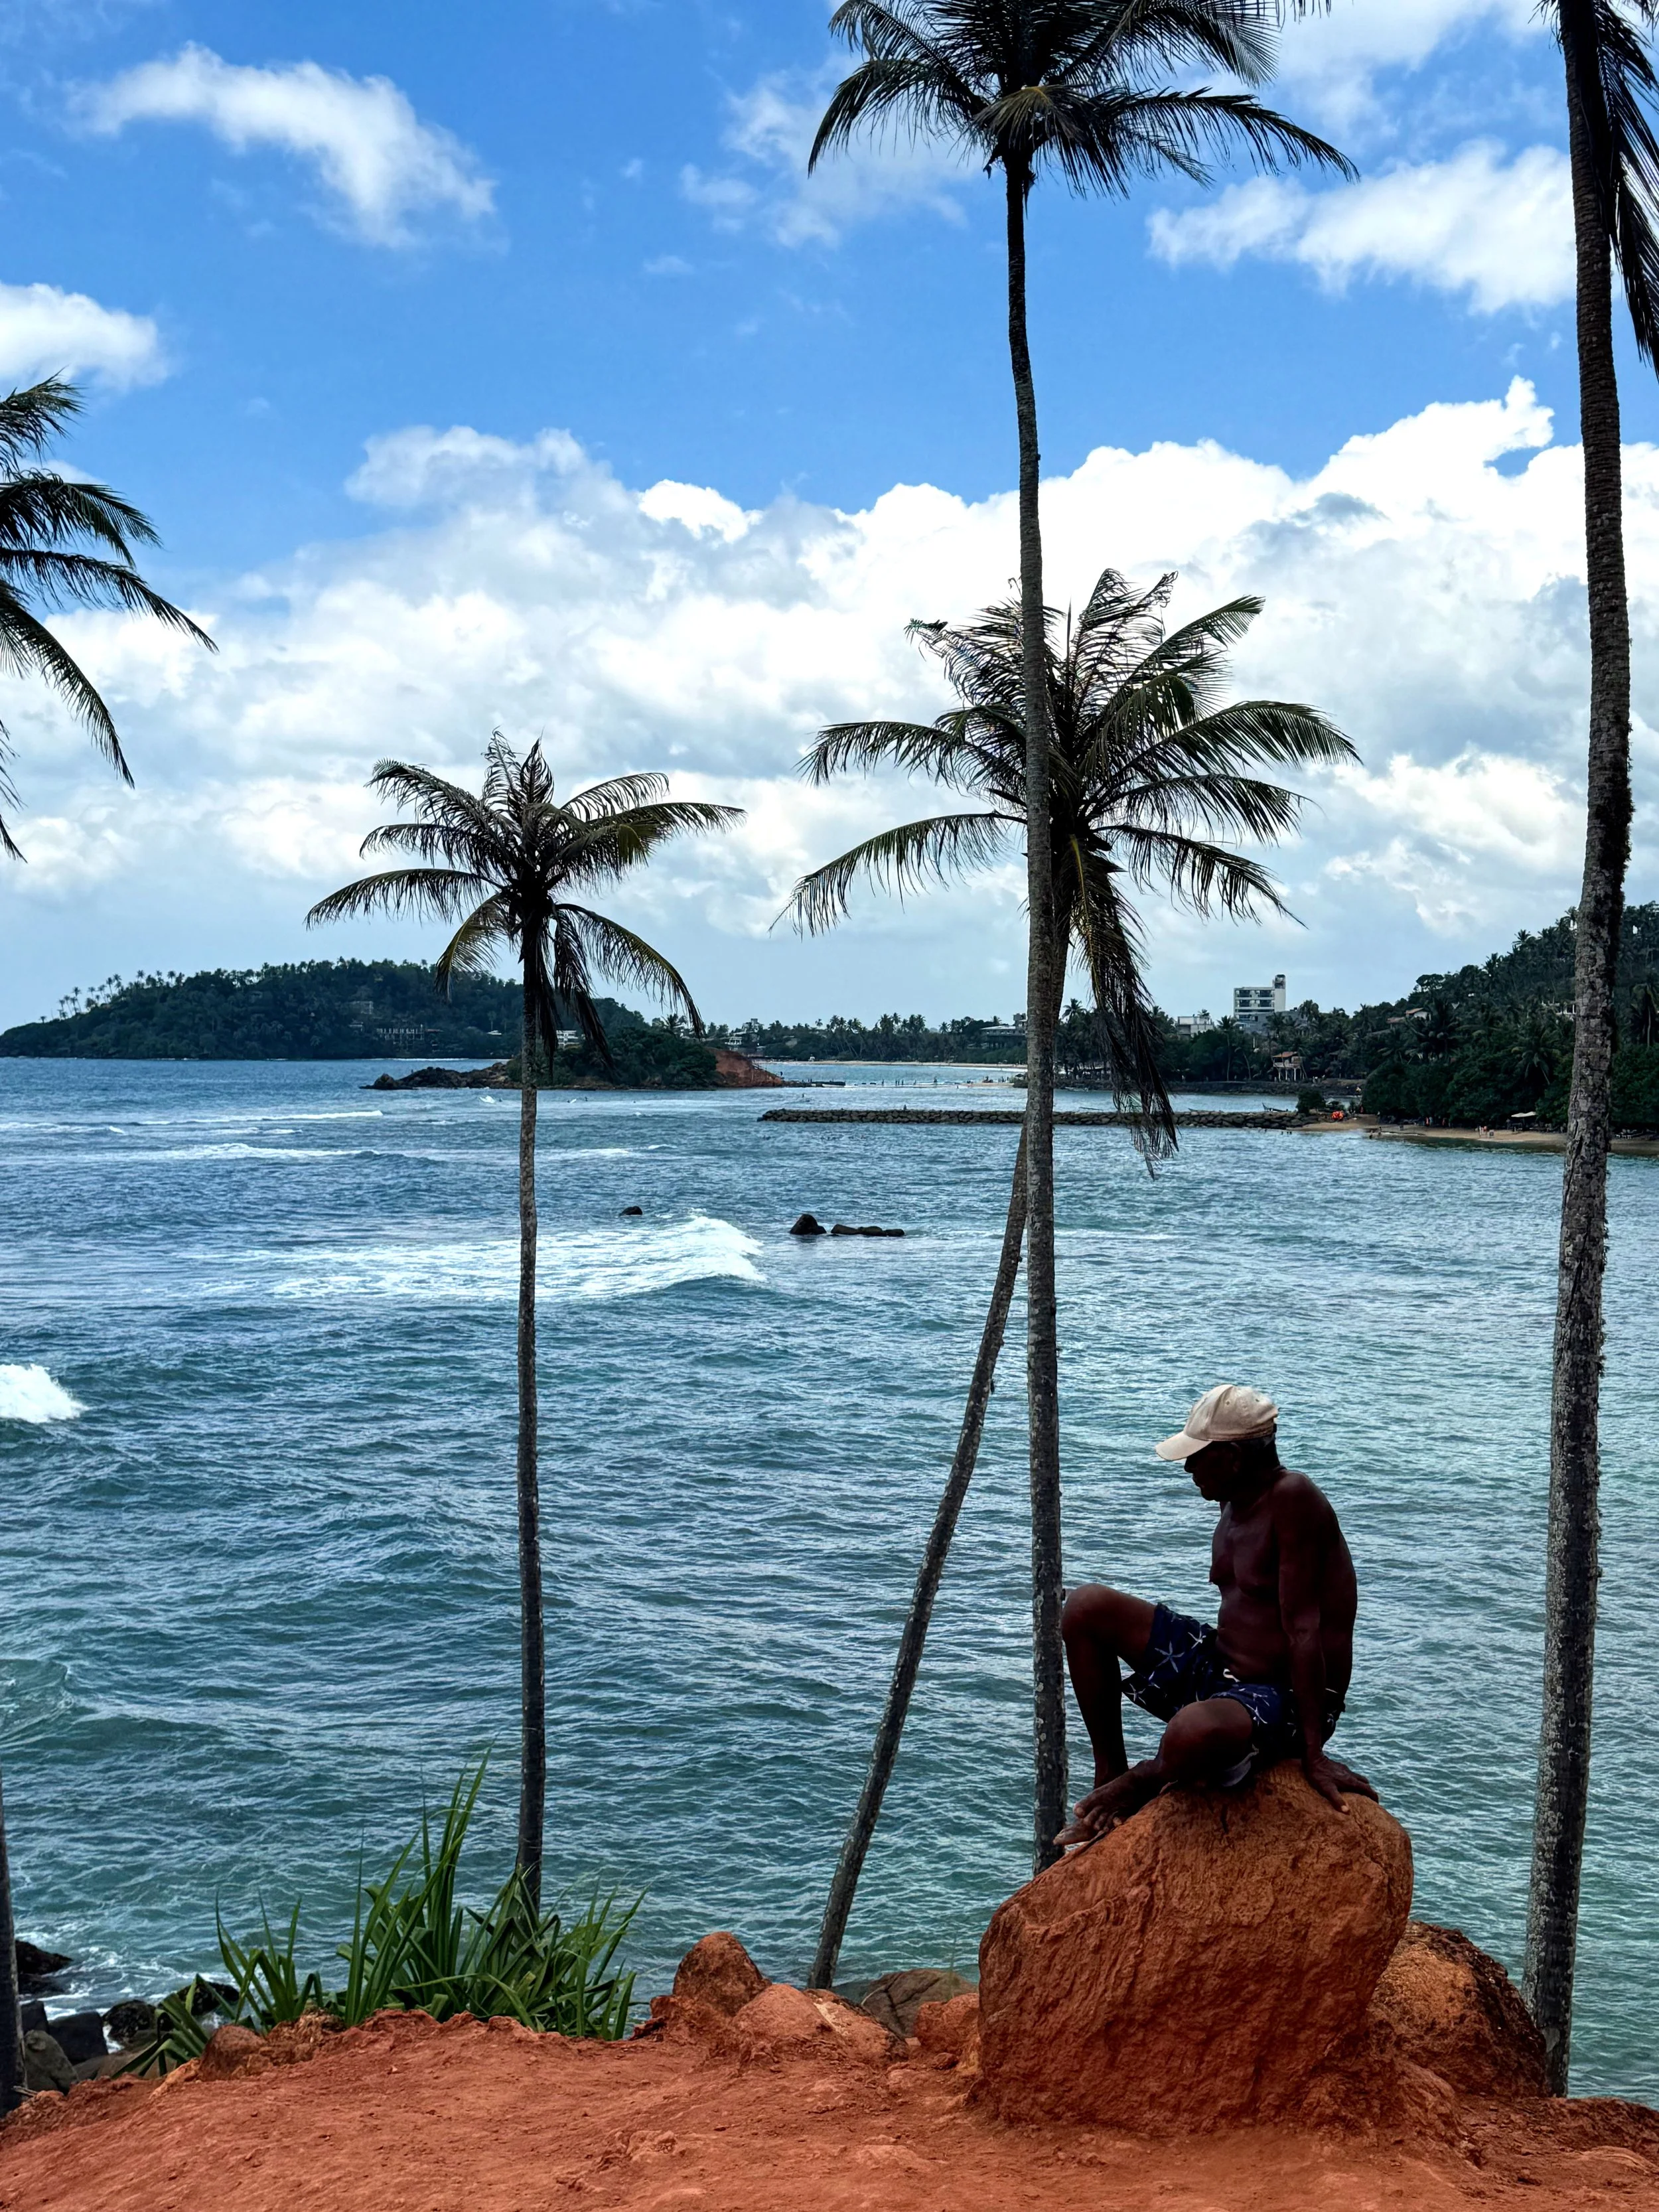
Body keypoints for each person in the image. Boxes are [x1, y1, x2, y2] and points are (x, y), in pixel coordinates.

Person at [1056, 1384, 1375, 1848]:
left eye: (1197, 1457)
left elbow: (1304, 1631)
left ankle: (1141, 1782)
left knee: (1190, 1732)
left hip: (1281, 1696)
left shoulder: (1293, 1498)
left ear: (1233, 1458)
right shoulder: (1233, 1498)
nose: (1187, 1468)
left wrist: (1314, 1752)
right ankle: (1110, 1773)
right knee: (1086, 1608)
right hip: (1221, 1665)